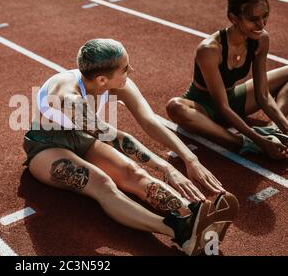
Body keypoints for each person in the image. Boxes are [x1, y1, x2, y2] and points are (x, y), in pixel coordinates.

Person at [22, 38, 238, 255]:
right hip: (46, 145)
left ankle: (193, 214)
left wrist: (189, 158)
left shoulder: (114, 83)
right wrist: (167, 168)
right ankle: (181, 232)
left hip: (82, 138)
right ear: (102, 80)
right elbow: (115, 138)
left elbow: (150, 122)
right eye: (125, 69)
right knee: (103, 184)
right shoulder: (69, 98)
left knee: (133, 172)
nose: (131, 70)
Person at [166, 0, 288, 160]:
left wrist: (284, 127)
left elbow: (262, 95)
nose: (261, 24)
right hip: (205, 108)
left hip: (234, 99)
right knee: (175, 107)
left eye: (265, 16)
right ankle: (242, 141)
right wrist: (260, 141)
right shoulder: (209, 50)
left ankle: (273, 128)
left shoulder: (261, 39)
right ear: (233, 18)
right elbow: (222, 107)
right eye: (253, 19)